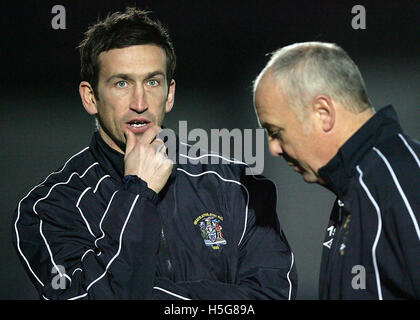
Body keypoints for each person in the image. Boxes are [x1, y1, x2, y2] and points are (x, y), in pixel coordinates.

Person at [12, 7, 297, 300]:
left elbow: (271, 296)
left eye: (152, 82)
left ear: (169, 94)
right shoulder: (49, 209)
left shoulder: (238, 185)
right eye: (121, 83)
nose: (140, 102)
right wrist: (138, 192)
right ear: (90, 97)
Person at [253, 41, 420, 299]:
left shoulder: (403, 180)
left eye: (276, 132)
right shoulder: (359, 186)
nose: (274, 148)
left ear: (323, 113)